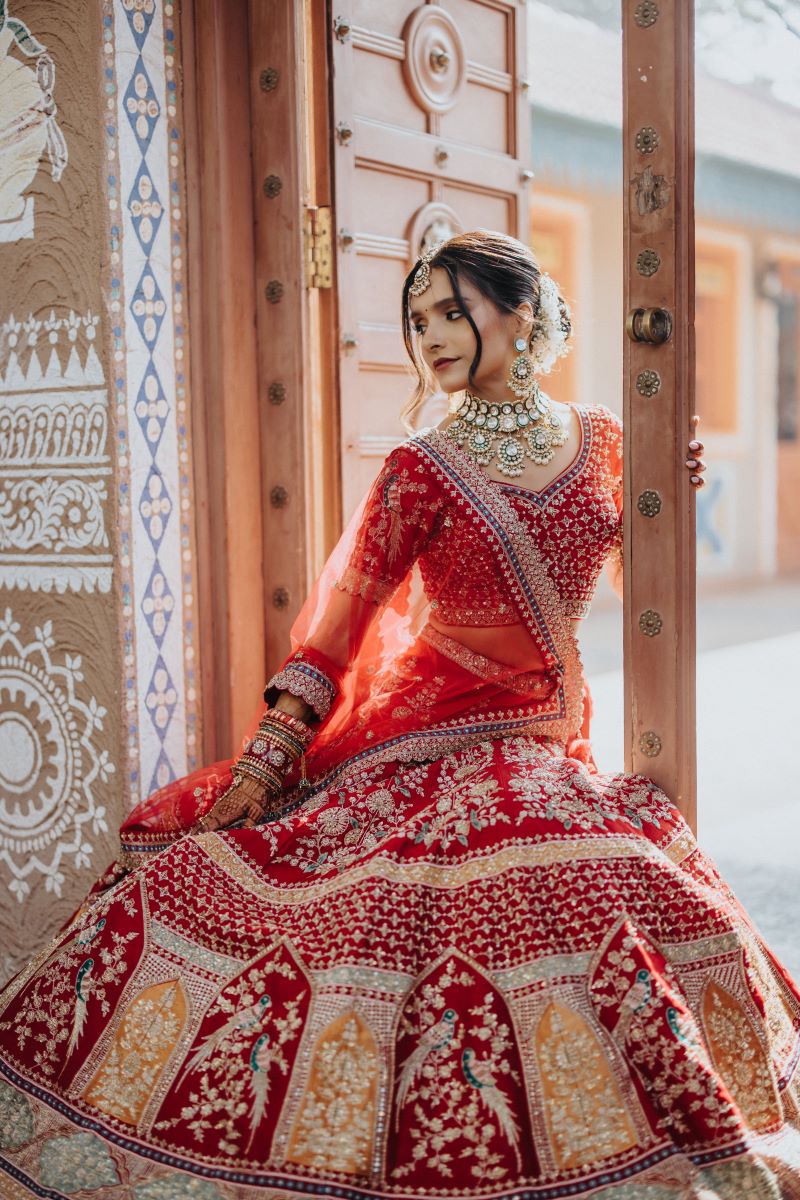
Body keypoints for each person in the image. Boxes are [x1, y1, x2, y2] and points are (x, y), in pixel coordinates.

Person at [0, 230, 798, 1200]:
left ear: (517, 311)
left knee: (631, 875)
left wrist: (665, 498)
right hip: (422, 754)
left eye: (450, 312)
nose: (430, 336)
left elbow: (642, 590)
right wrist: (265, 762)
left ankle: (669, 1130)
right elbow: (336, 634)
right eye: (417, 321)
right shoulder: (420, 470)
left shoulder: (606, 440)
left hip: (548, 745)